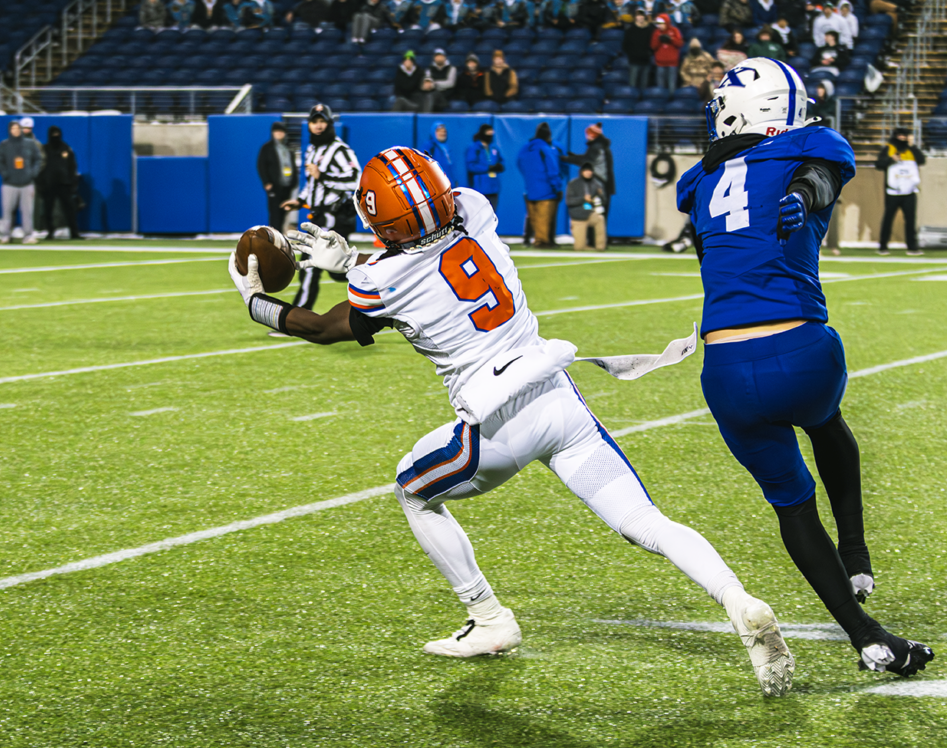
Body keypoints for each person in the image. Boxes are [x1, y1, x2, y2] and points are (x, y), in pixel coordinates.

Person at [228, 145, 796, 698]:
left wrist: (259, 301)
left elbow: (331, 327)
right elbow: (431, 263)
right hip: (557, 396)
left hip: (496, 424)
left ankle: (489, 617)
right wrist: (354, 260)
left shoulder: (380, 279)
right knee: (645, 520)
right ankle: (736, 598)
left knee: (412, 489)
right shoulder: (473, 207)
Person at [677, 57, 934, 679]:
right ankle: (856, 551)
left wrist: (797, 193)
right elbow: (817, 177)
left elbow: (746, 217)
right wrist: (800, 193)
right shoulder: (810, 148)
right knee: (827, 426)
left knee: (793, 506)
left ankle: (868, 638)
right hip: (802, 353)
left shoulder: (701, 180)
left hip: (726, 370)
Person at [279, 104, 360, 312]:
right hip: (318, 216)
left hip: (334, 216)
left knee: (311, 265)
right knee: (334, 269)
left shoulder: (340, 150)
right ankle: (377, 276)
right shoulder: (312, 149)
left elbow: (355, 180)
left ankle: (298, 316)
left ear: (330, 124)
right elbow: (312, 184)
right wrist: (299, 200)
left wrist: (323, 176)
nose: (318, 125)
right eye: (315, 121)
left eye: (323, 121)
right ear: (309, 124)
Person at [875, 127, 925, 257]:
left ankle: (912, 247)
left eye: (905, 135)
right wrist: (891, 159)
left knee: (910, 220)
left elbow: (921, 160)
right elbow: (879, 164)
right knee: (888, 219)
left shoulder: (911, 150)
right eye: (900, 135)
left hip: (909, 192)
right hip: (892, 192)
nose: (903, 138)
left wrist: (912, 146)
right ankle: (883, 246)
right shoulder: (888, 148)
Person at [0, 120, 43, 245]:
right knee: (7, 211)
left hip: (27, 183)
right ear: (10, 130)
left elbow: (38, 159)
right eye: (13, 128)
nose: (16, 130)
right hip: (9, 184)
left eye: (17, 128)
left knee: (27, 212)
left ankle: (28, 235)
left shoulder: (30, 144)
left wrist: (32, 173)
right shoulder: (4, 145)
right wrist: (5, 174)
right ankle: (6, 235)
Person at [516, 121, 562, 248]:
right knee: (545, 218)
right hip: (547, 189)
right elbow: (552, 170)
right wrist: (557, 187)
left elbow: (519, 164)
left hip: (530, 188)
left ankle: (537, 239)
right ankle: (542, 241)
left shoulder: (525, 148)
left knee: (534, 217)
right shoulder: (546, 148)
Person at [561, 122, 614, 216]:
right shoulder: (601, 147)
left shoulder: (595, 147)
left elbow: (586, 161)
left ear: (592, 134)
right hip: (604, 185)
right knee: (599, 213)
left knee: (594, 214)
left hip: (598, 185)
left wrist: (567, 159)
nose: (586, 136)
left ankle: (592, 230)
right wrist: (574, 156)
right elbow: (588, 158)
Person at [38, 126, 81, 241]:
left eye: (57, 133)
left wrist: (73, 182)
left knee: (70, 209)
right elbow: (40, 167)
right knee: (47, 210)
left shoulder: (66, 148)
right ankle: (50, 232)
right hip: (49, 184)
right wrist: (41, 183)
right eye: (53, 133)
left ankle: (74, 232)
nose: (55, 136)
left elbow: (72, 166)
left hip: (64, 184)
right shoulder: (44, 149)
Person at [257, 121, 297, 232]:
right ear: (272, 133)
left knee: (284, 213)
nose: (279, 134)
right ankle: (273, 238)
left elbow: (292, 165)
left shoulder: (288, 148)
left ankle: (279, 237)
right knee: (275, 213)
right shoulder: (267, 148)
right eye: (276, 131)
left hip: (287, 186)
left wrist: (293, 182)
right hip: (274, 186)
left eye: (281, 131)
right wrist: (266, 182)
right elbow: (261, 165)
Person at [566, 162, 608, 251]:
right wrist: (583, 199)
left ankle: (600, 246)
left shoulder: (596, 184)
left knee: (600, 218)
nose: (588, 172)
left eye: (590, 171)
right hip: (578, 216)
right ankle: (586, 247)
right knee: (579, 248)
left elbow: (603, 201)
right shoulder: (573, 184)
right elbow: (569, 201)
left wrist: (601, 195)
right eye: (586, 171)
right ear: (581, 172)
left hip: (590, 213)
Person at [464, 123, 504, 212]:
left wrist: (499, 166)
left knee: (492, 215)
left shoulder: (494, 147)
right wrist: (488, 168)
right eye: (487, 133)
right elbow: (471, 165)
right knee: (480, 215)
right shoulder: (474, 148)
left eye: (491, 134)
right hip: (480, 188)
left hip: (493, 187)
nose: (489, 136)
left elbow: (501, 160)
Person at [651, 13, 683, 92]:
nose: (660, 25)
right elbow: (653, 46)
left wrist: (671, 39)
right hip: (660, 63)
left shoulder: (674, 30)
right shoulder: (656, 32)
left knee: (671, 86)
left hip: (672, 63)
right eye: (658, 24)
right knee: (660, 86)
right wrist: (659, 40)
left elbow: (680, 43)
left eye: (662, 23)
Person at [623, 11, 655, 90]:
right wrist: (632, 54)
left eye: (642, 15)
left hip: (646, 61)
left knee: (644, 85)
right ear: (635, 18)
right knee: (632, 84)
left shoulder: (650, 30)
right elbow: (625, 45)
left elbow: (653, 44)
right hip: (634, 61)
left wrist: (649, 53)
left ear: (644, 17)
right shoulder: (630, 30)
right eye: (638, 16)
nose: (640, 17)